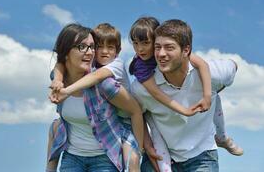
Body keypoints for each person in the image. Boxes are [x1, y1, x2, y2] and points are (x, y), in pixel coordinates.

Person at [131, 19, 241, 171]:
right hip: (163, 153)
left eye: (169, 47)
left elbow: (233, 66)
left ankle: (223, 138)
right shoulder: (141, 87)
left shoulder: (214, 74)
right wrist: (147, 145)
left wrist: (211, 93)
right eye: (157, 47)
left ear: (186, 50)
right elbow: (136, 113)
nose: (161, 54)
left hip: (201, 155)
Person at [49, 23, 151, 172]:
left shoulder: (106, 78)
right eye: (83, 47)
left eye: (91, 47)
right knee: (57, 124)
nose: (91, 52)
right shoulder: (59, 78)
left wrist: (139, 148)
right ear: (66, 52)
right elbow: (59, 65)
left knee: (133, 163)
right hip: (72, 156)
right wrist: (58, 81)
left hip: (110, 146)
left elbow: (135, 111)